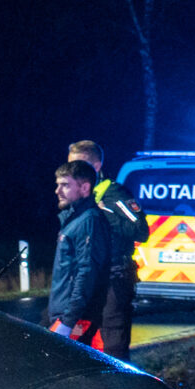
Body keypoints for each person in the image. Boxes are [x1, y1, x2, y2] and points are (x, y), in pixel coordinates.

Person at [69, 140, 144, 356]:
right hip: (84, 278)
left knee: (112, 341)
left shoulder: (114, 194)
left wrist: (104, 216)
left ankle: (119, 385)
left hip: (113, 277)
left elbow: (140, 230)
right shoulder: (75, 196)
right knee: (75, 336)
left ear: (97, 166)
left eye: (79, 164)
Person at [49, 160, 112, 349]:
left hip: (76, 318)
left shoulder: (88, 221)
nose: (57, 191)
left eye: (65, 185)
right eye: (58, 185)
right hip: (67, 314)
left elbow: (86, 273)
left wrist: (68, 322)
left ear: (85, 188)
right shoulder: (75, 219)